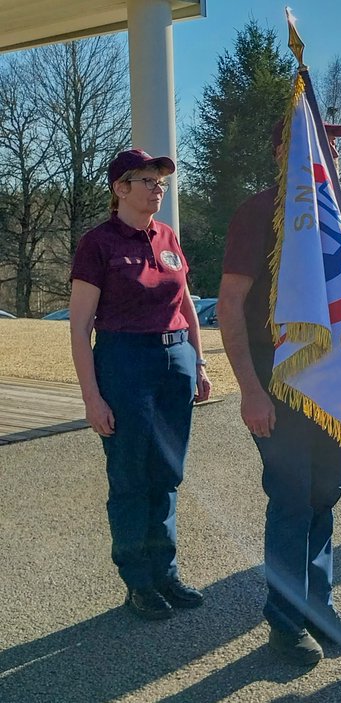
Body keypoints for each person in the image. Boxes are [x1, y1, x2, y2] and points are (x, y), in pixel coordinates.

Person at [217, 120, 341, 667]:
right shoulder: (259, 212)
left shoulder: (339, 216)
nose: (327, 152)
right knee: (291, 498)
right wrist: (250, 390)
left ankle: (318, 607)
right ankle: (285, 623)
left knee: (325, 494)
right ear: (284, 149)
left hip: (331, 375)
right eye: (316, 142)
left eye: (330, 145)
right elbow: (230, 303)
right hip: (275, 373)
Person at [68, 149, 210, 620]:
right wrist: (92, 396)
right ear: (120, 188)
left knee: (167, 473)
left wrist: (200, 362)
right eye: (146, 180)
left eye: (160, 180)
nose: (157, 188)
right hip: (125, 361)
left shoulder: (167, 236)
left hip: (175, 361)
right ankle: (138, 581)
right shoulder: (99, 243)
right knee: (130, 476)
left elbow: (185, 302)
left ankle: (165, 570)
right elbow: (80, 326)